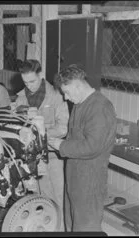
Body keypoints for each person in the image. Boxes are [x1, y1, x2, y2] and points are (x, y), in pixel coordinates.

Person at [50, 65, 117, 232]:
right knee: (72, 222)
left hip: (89, 179)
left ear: (78, 86)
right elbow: (76, 138)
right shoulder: (80, 103)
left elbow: (92, 146)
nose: (65, 98)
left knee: (87, 226)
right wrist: (55, 143)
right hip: (74, 175)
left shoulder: (100, 107)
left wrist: (61, 145)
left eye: (67, 92)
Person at [13, 59, 69, 230]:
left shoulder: (56, 95)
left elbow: (63, 128)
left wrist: (39, 131)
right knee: (36, 197)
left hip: (52, 156)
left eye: (32, 81)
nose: (29, 86)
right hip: (30, 158)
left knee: (57, 198)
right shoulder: (20, 98)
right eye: (25, 82)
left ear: (40, 75)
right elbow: (15, 127)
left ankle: (60, 230)